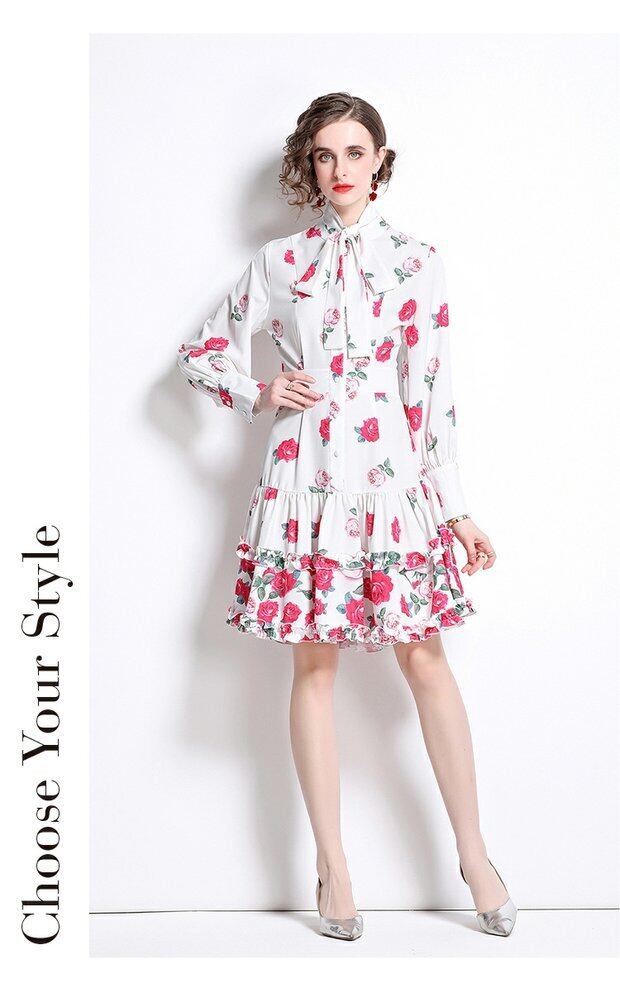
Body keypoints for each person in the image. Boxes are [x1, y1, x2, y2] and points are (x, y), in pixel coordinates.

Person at [176, 91, 516, 941]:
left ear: (380, 161)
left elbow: (430, 394)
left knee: (426, 660)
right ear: (310, 163)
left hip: (393, 485)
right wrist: (261, 391)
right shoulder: (281, 261)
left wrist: (457, 511)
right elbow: (201, 353)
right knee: (315, 669)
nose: (339, 169)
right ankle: (332, 866)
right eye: (324, 154)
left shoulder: (417, 261)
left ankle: (475, 855)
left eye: (355, 152)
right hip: (306, 479)